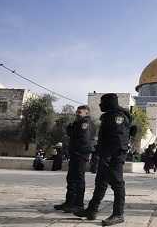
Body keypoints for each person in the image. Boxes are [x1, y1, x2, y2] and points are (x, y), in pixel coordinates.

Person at [74, 93, 132, 226]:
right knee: (100, 182)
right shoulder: (109, 115)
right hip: (106, 155)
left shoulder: (118, 116)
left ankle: (118, 214)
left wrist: (109, 156)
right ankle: (92, 210)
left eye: (102, 102)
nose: (100, 105)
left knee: (117, 184)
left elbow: (118, 139)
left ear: (109, 103)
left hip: (114, 156)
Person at [54, 105, 93, 213]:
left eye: (80, 112)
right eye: (77, 112)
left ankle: (78, 204)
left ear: (86, 113)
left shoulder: (86, 123)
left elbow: (83, 139)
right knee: (71, 178)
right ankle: (69, 202)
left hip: (80, 154)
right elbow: (73, 134)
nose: (77, 113)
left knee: (78, 179)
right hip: (75, 154)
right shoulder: (78, 123)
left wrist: (72, 132)